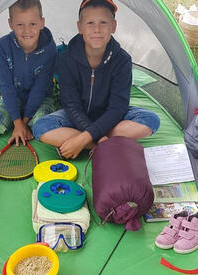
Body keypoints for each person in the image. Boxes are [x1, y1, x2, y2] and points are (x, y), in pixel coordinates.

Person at [32, 0, 160, 159]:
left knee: (151, 120)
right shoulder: (66, 58)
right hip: (77, 117)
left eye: (103, 22)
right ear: (80, 27)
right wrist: (97, 137)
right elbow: (71, 105)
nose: (97, 29)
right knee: (41, 126)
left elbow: (118, 108)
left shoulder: (122, 60)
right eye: (90, 23)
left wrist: (84, 137)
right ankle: (102, 145)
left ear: (113, 26)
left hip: (110, 116)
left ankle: (81, 143)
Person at [0, 0, 59, 145]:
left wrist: (24, 121)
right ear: (11, 24)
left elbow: (39, 89)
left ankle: (26, 118)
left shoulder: (50, 49)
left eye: (33, 24)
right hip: (15, 95)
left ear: (42, 23)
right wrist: (18, 125)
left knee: (42, 130)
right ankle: (7, 113)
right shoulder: (3, 45)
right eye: (20, 24)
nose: (27, 30)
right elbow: (6, 85)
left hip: (41, 97)